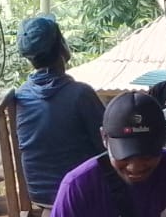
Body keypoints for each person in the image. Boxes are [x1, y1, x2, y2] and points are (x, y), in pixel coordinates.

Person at [12, 14, 104, 206]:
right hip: (78, 193)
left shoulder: (21, 95)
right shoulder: (81, 94)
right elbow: (107, 144)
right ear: (62, 46)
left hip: (38, 195)